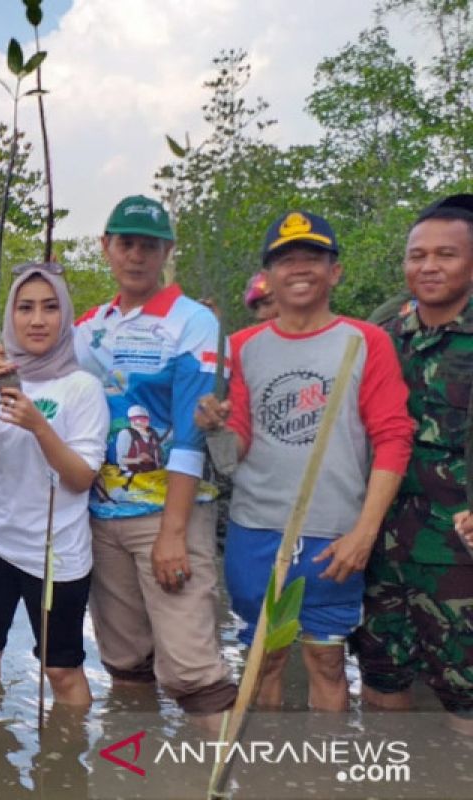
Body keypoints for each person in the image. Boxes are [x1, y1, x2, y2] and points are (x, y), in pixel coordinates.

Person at [195, 211, 413, 711]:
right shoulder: (241, 347)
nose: (299, 269)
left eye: (312, 259)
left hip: (333, 533)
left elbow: (393, 437)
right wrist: (215, 425)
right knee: (263, 661)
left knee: (327, 663)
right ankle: (268, 772)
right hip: (256, 530)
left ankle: (324, 782)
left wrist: (363, 532)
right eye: (285, 260)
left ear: (334, 271)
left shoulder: (365, 342)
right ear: (268, 277)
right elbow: (237, 448)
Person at [72, 194, 236, 718]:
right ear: (106, 247)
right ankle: (137, 775)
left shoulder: (194, 323)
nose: (136, 256)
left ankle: (218, 781)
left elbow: (192, 433)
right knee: (125, 664)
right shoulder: (87, 326)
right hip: (101, 517)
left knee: (193, 674)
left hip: (170, 515)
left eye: (149, 245)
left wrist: (173, 531)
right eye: (126, 243)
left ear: (167, 251)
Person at [0, 263, 108, 706]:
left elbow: (81, 478)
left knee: (61, 670)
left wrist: (39, 425)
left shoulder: (82, 387)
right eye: (25, 308)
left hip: (56, 547)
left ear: (65, 317)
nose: (37, 319)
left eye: (50, 308)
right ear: (11, 316)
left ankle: (67, 764)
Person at [357, 194, 473, 734]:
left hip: (457, 551)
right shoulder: (383, 333)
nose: (428, 266)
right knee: (381, 679)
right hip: (381, 543)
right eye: (417, 255)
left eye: (446, 254)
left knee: (464, 695)